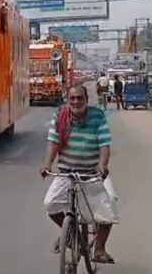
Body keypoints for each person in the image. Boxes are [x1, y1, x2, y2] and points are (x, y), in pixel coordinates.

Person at [40, 84, 117, 264]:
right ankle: (71, 234)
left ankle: (99, 249)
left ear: (86, 100)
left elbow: (104, 144)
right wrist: (47, 164)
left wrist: (102, 165)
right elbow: (53, 142)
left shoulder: (97, 116)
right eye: (72, 98)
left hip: (92, 173)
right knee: (50, 204)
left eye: (79, 98)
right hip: (66, 172)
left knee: (108, 206)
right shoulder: (60, 116)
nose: (75, 102)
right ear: (68, 101)